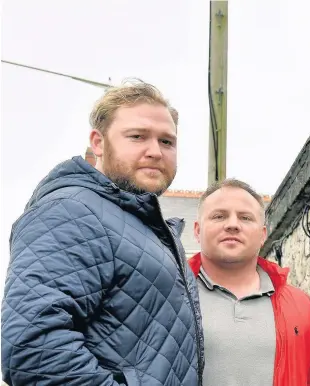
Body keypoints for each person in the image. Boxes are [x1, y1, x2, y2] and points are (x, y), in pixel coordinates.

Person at [1, 80, 204, 386]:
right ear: (98, 143)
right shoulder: (71, 211)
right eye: (137, 137)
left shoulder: (143, 226)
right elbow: (32, 346)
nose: (155, 152)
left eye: (167, 142)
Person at [187, 178, 310, 386]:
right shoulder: (169, 297)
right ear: (197, 230)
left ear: (263, 235)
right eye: (219, 216)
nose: (232, 225)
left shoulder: (300, 306)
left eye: (245, 218)